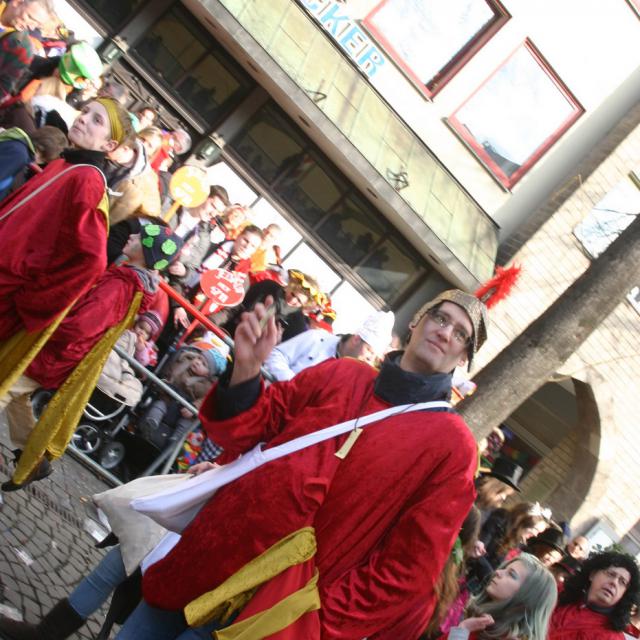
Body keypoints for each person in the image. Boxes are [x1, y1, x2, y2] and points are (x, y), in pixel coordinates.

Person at [109, 289, 489, 639]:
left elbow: (408, 569)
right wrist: (246, 372)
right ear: (417, 320)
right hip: (207, 556)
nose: (445, 332)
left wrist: (315, 618)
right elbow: (253, 427)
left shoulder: (452, 447)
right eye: (440, 318)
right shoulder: (344, 373)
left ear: (464, 358)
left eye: (460, 334)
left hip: (271, 612)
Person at [0, 225, 183, 490]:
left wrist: (48, 323)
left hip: (58, 352)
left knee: (5, 389)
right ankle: (34, 460)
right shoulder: (128, 281)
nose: (131, 236)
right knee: (17, 397)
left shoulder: (122, 285)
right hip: (62, 352)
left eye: (139, 237)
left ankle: (33, 460)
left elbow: (81, 326)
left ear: (146, 251)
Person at [0, 97, 133, 399]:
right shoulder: (66, 163)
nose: (83, 118)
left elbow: (91, 260)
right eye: (85, 111)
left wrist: (29, 299)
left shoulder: (88, 180)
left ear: (109, 145)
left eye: (97, 120)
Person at [444, 553, 557, 640]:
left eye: (511, 574)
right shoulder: (484, 621)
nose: (498, 572)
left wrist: (462, 630)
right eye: (505, 568)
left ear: (528, 596)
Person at [265, 309, 395, 380]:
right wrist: (291, 383)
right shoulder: (317, 338)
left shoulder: (354, 377)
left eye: (374, 357)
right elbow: (276, 354)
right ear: (356, 339)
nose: (370, 359)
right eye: (369, 351)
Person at [548, 551, 640, 639]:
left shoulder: (611, 637)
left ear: (624, 594)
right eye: (611, 574)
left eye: (622, 582)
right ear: (592, 574)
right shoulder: (557, 593)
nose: (614, 582)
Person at [467, 502, 548, 593]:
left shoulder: (517, 541)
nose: (536, 535)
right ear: (523, 522)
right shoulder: (497, 522)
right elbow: (477, 553)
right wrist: (493, 578)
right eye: (536, 530)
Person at [106, 129, 162, 224]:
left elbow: (152, 212)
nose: (143, 144)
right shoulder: (117, 148)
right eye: (142, 139)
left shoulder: (148, 179)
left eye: (150, 145)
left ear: (153, 153)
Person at [0, 124, 66, 199]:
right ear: (42, 154)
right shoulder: (20, 155)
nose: (39, 163)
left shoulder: (18, 139)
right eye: (44, 160)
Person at [474, 456, 523, 525]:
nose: (503, 498)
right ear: (492, 486)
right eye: (501, 491)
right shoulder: (469, 490)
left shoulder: (491, 510)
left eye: (507, 495)